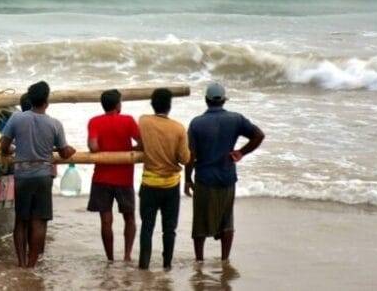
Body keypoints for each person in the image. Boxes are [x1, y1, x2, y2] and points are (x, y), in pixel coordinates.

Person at [185, 83, 265, 262]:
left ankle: (199, 260)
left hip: (204, 179)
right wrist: (241, 152)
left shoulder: (197, 123)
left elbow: (190, 154)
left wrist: (187, 179)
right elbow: (259, 135)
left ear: (206, 100)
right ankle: (224, 259)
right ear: (223, 100)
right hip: (227, 177)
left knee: (200, 222)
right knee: (227, 220)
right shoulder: (236, 119)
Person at [0, 81, 76, 268]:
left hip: (22, 175)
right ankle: (32, 264)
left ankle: (21, 262)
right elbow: (64, 152)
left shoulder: (17, 118)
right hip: (43, 176)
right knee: (39, 222)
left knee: (21, 221)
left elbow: (3, 145)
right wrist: (71, 150)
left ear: (30, 99)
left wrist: (9, 151)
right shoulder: (55, 124)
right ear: (46, 101)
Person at [137, 88, 190, 270]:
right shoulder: (178, 128)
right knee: (169, 229)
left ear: (152, 104)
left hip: (149, 183)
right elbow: (185, 159)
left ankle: (144, 265)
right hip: (170, 185)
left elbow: (141, 143)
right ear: (170, 106)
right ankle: (167, 265)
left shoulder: (143, 121)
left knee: (147, 227)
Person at [86, 89, 141, 262]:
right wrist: (129, 150)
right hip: (124, 177)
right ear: (118, 105)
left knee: (106, 220)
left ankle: (110, 258)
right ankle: (127, 256)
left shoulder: (94, 121)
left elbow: (93, 147)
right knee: (129, 217)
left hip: (101, 177)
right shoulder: (128, 120)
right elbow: (143, 143)